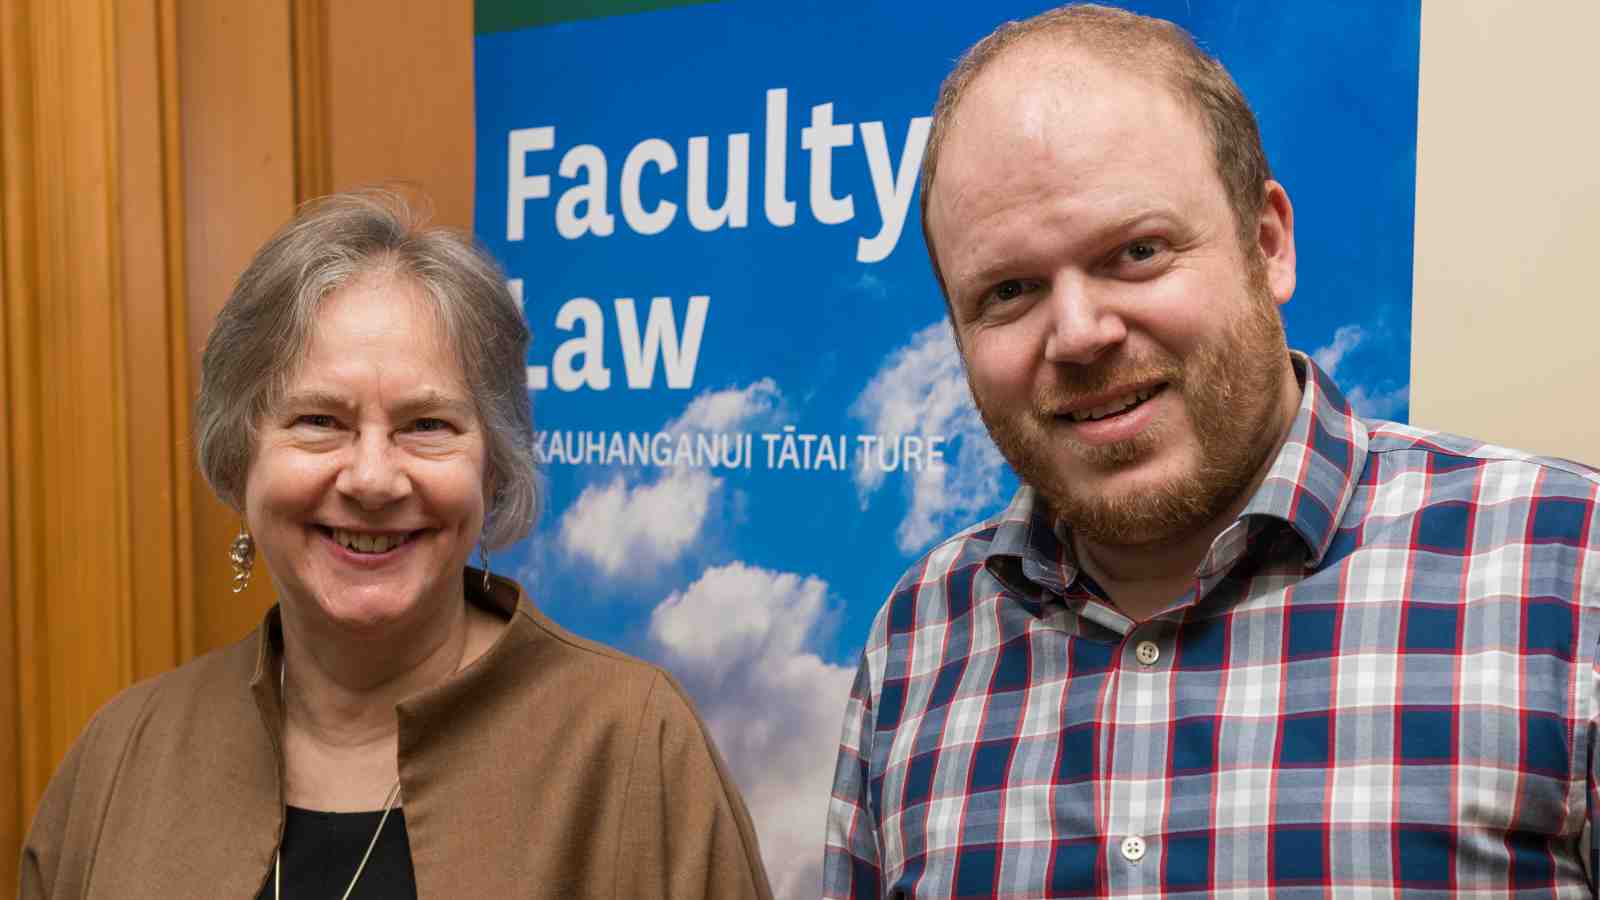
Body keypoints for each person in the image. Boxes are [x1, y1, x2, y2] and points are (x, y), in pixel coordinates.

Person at [824, 4, 1600, 897]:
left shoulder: (1566, 576)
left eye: (1138, 251)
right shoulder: (918, 639)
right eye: (1008, 290)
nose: (1078, 333)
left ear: (1267, 245)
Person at [21, 191, 773, 899]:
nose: (374, 479)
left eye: (427, 425)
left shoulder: (634, 750)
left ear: (494, 465)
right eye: (319, 420)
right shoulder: (121, 756)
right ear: (238, 456)